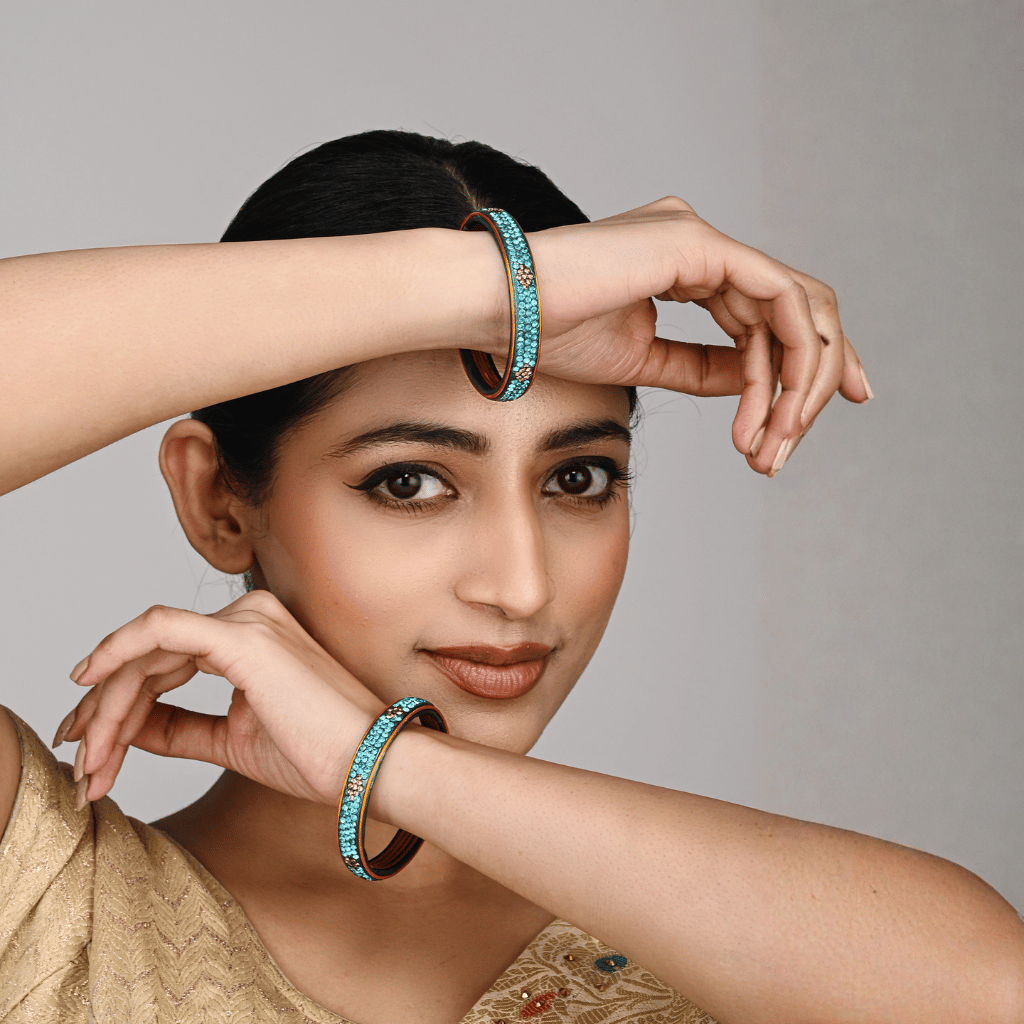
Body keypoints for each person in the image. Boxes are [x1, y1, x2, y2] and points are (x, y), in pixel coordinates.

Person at [0, 130, 1020, 1024]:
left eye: (577, 477)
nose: (520, 586)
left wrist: (383, 764)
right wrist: (497, 289)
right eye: (408, 482)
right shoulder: (49, 911)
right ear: (218, 500)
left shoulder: (751, 957)